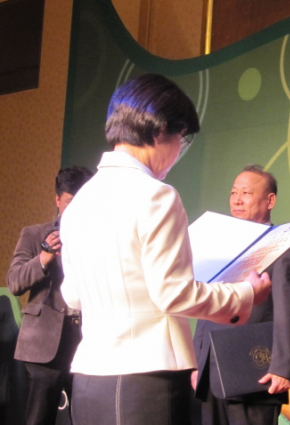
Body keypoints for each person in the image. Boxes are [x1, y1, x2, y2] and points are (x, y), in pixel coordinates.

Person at [58, 74, 271, 425]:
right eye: (181, 139)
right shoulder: (157, 195)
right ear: (161, 131)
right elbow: (173, 293)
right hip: (145, 379)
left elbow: (73, 296)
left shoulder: (80, 203)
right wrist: (246, 294)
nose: (178, 154)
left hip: (88, 377)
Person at [193, 164, 290, 425]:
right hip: (211, 372)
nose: (237, 200)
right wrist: (197, 361)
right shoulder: (220, 247)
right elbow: (207, 307)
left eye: (246, 193)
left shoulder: (284, 248)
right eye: (234, 193)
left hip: (254, 372)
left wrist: (283, 368)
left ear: (270, 201)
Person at [7, 166, 94, 425]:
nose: (77, 208)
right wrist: (43, 259)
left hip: (89, 342)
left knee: (88, 418)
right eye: (70, 201)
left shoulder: (100, 238)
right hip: (43, 345)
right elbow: (14, 282)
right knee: (38, 419)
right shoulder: (34, 234)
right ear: (57, 200)